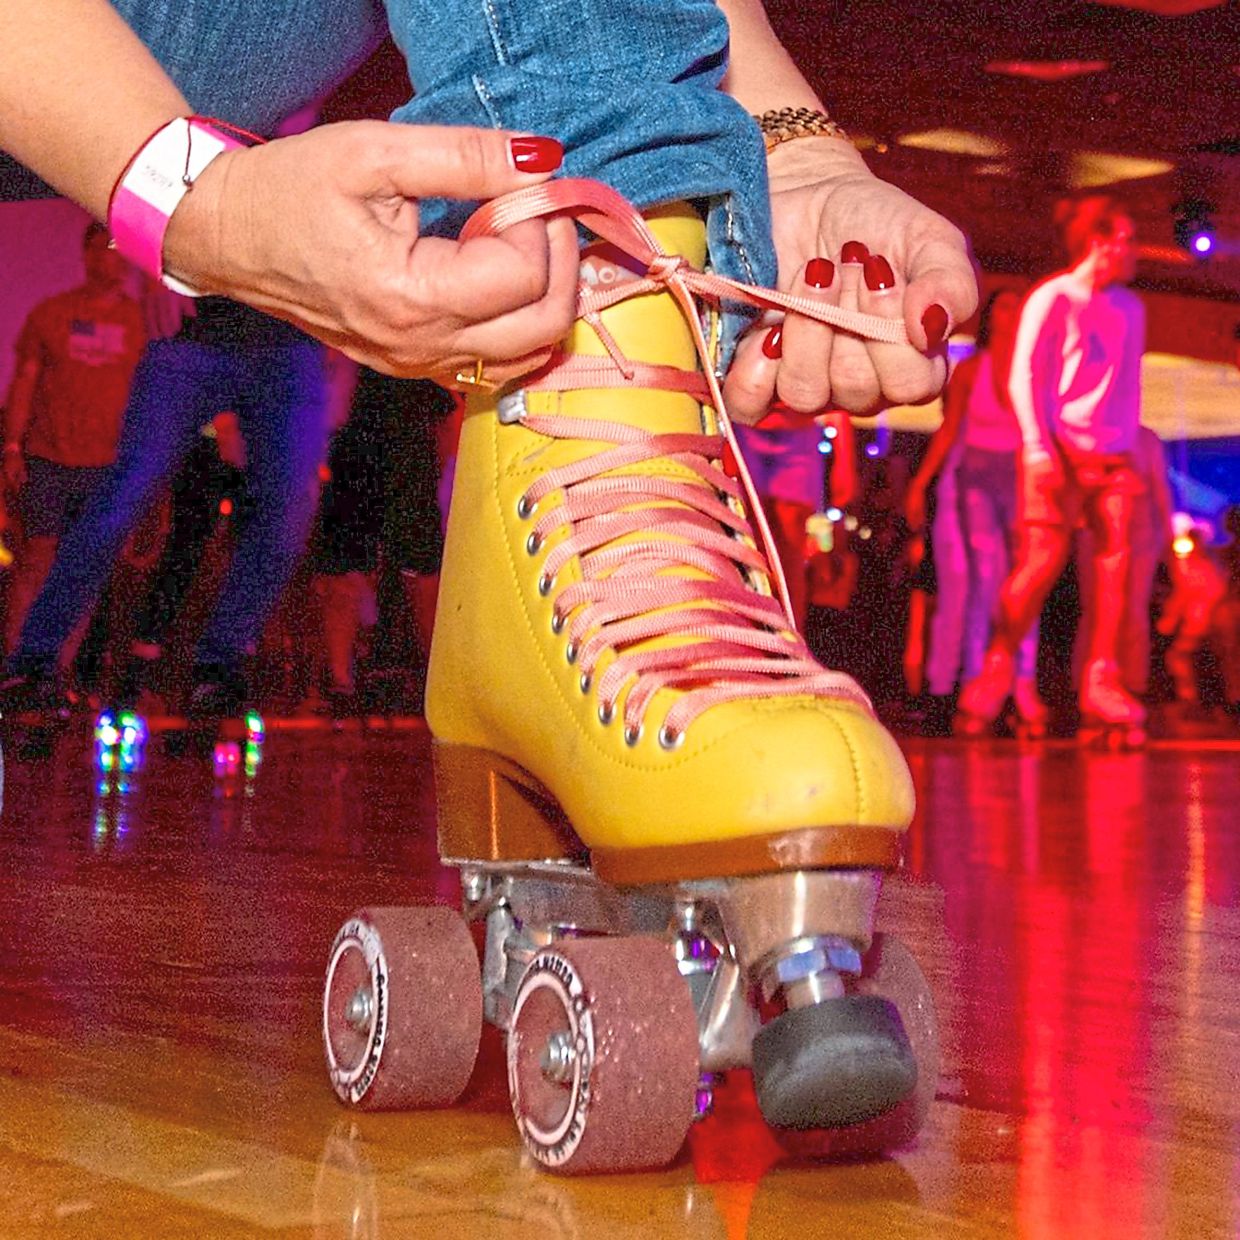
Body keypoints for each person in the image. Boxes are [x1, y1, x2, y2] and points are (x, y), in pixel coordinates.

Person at [957, 196, 1146, 734]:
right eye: (1127, 238)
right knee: (1039, 566)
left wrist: (1126, 447)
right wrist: (1041, 448)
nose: (1134, 250)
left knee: (1115, 567)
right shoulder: (1053, 298)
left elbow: (1128, 386)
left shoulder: (1130, 310)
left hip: (1111, 454)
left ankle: (1101, 679)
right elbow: (1025, 377)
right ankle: (997, 665)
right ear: (1100, 242)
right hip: (1055, 450)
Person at [2, 221, 145, 665]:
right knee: (36, 560)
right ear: (87, 254)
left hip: (107, 464)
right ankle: (16, 667)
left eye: (121, 250)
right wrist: (11, 446)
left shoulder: (141, 322)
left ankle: (56, 672)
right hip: (49, 456)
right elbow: (25, 380)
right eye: (105, 248)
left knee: (81, 572)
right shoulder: (51, 313)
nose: (114, 258)